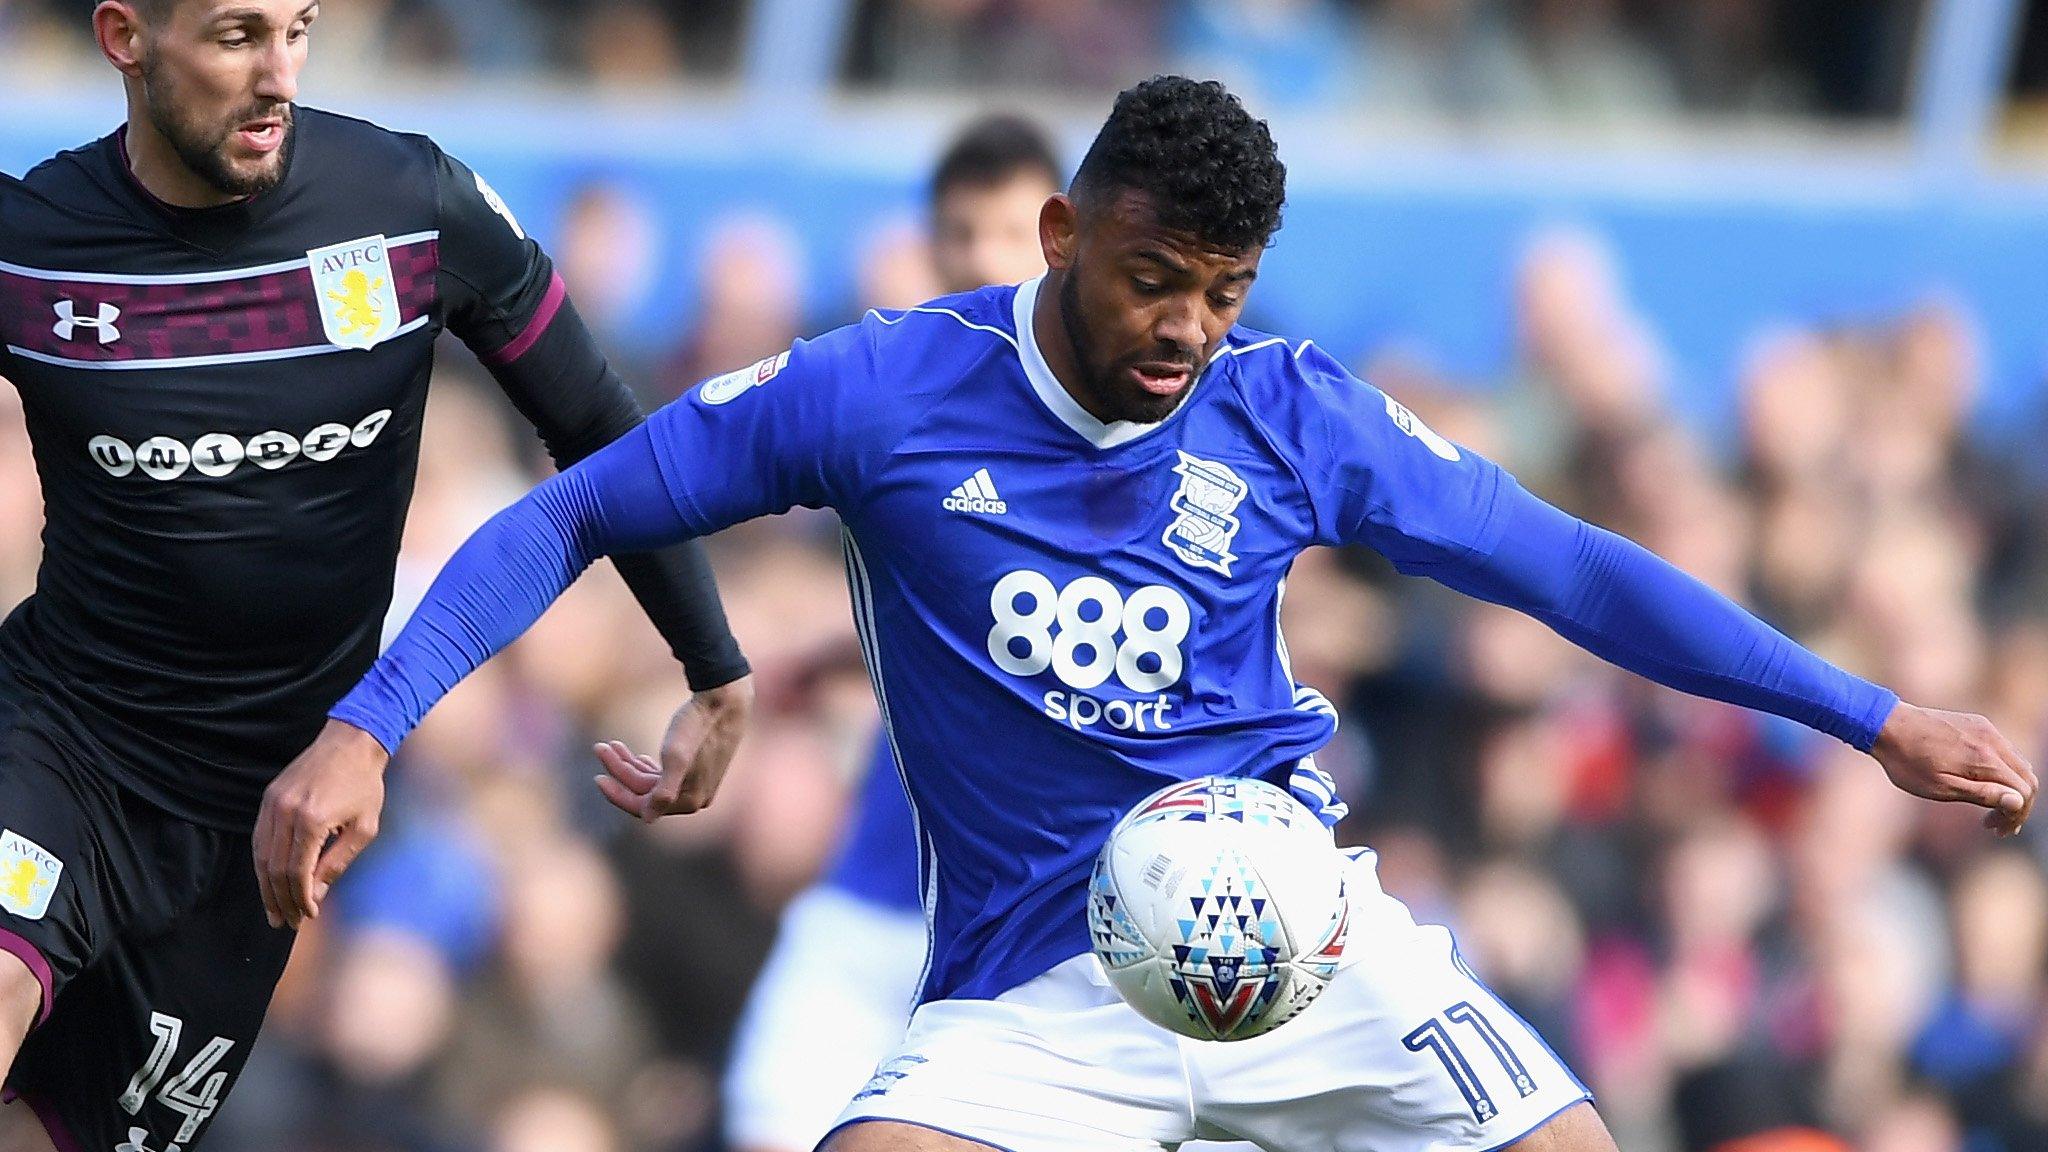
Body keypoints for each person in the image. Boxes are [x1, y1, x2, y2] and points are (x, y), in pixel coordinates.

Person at [286, 76, 2036, 1152]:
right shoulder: (883, 396)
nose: (1186, 328)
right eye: (1150, 276)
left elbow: (1570, 569)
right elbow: (583, 502)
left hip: (1301, 932)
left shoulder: (1292, 415)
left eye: (1221, 292)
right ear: (1057, 232)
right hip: (1038, 986)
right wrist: (373, 720)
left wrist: (1870, 716)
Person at [0, 3, 754, 1150]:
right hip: (64, 742)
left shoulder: (410, 206)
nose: (277, 76)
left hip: (265, 817)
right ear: (123, 37)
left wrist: (708, 660)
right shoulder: (30, 243)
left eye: (296, 31)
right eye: (235, 35)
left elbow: (604, 432)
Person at [720, 113, 1066, 1152]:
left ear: (1068, 239)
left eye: (1012, 231)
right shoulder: (900, 419)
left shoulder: (1126, 435)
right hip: (877, 892)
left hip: (1041, 934)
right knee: (770, 1118)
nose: (982, 258)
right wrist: (817, 658)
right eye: (959, 233)